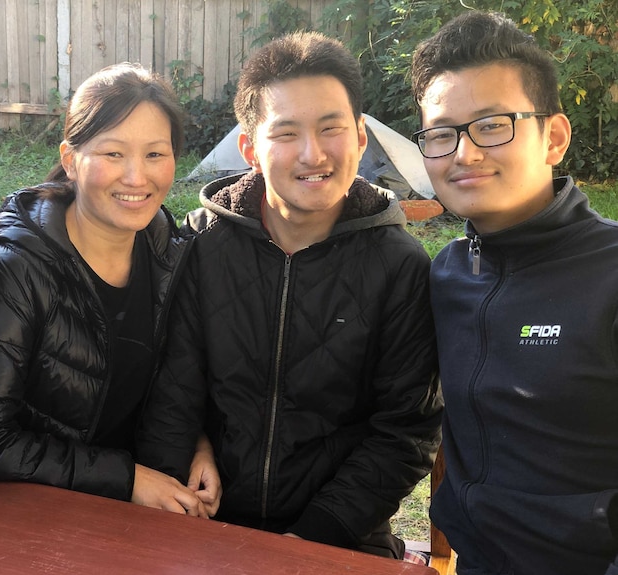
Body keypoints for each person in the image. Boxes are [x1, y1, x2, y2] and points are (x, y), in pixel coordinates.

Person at [136, 31, 443, 558]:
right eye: (286, 133)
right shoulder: (201, 245)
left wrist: (310, 539)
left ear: (362, 137)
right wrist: (182, 473)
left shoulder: (399, 267)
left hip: (342, 537)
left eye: (331, 129)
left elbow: (405, 433)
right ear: (250, 147)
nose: (313, 153)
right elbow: (172, 388)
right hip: (207, 522)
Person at [0, 63, 218, 517]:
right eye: (113, 154)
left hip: (134, 514)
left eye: (156, 154)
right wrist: (127, 479)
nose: (137, 177)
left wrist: (198, 441)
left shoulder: (167, 252)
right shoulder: (20, 269)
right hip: (29, 514)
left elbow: (168, 379)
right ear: (72, 159)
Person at [410, 10, 618, 575]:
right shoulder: (449, 275)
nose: (465, 153)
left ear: (553, 137)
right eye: (442, 133)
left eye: (492, 124)